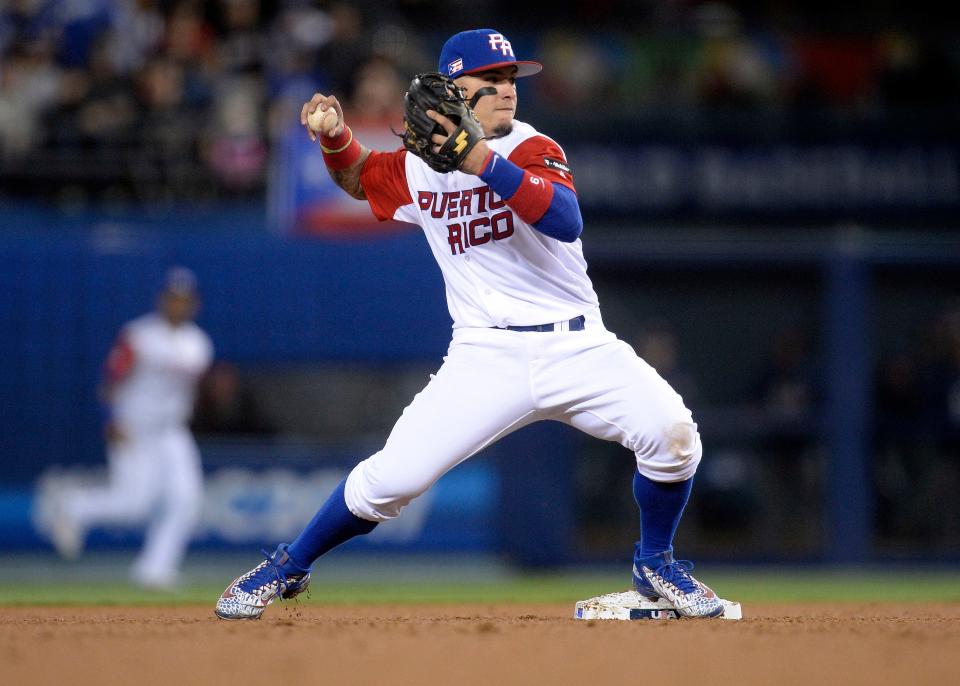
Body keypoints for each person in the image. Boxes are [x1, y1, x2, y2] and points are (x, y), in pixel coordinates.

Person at [215, 29, 725, 619]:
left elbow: (565, 218)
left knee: (674, 437)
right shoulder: (419, 165)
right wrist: (336, 139)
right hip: (484, 355)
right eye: (493, 80)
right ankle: (287, 566)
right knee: (390, 482)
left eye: (512, 78)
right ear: (454, 91)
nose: (508, 90)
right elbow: (360, 178)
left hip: (579, 343)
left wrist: (480, 160)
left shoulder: (533, 147)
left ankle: (655, 564)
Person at [51, 267, 214, 589]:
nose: (178, 304)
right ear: (162, 300)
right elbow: (110, 381)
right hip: (135, 428)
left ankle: (154, 569)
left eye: (185, 299)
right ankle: (72, 507)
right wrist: (110, 419)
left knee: (187, 499)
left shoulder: (199, 343)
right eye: (173, 298)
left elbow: (189, 392)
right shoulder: (139, 336)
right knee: (132, 504)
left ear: (194, 304)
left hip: (173, 431)